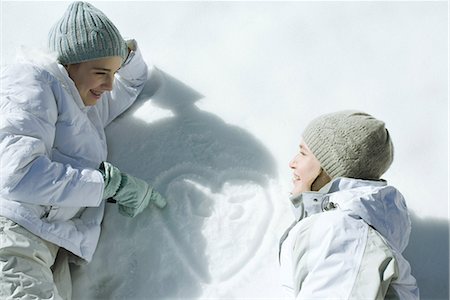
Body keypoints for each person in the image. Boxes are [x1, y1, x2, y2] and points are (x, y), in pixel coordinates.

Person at [0, 2, 166, 299]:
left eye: (113, 73)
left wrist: (121, 53)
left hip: (46, 242)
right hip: (13, 235)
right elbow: (16, 175)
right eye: (102, 72)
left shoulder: (84, 103)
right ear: (69, 63)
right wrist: (107, 185)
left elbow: (134, 82)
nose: (109, 84)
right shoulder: (31, 82)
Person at [279, 110, 419, 299]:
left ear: (332, 168)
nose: (292, 163)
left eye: (303, 153)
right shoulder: (346, 226)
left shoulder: (344, 231)